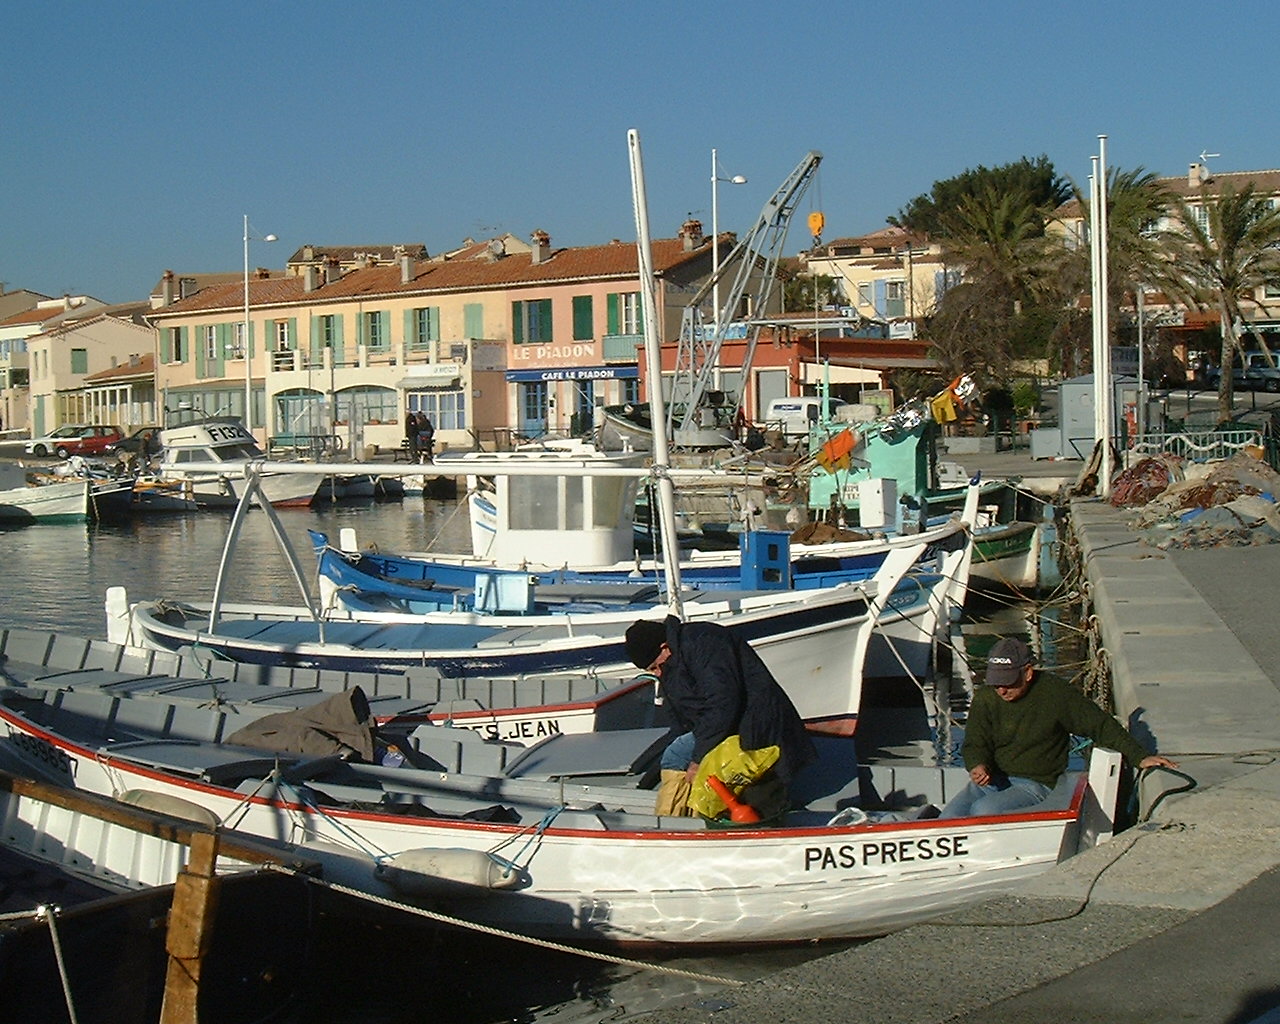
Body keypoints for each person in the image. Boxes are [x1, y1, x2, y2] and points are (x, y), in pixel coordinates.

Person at [941, 638, 1177, 818]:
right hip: (992, 781)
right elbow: (975, 743)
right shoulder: (986, 698)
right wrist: (977, 765)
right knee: (948, 818)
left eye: (1008, 682)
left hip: (1036, 783)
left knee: (984, 810)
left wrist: (1140, 756)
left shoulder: (1054, 694)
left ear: (1028, 673)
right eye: (995, 683)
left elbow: (1099, 724)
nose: (1001, 690)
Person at [624, 616, 817, 817]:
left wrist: (698, 758)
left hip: (751, 723)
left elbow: (723, 703)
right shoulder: (674, 658)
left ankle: (674, 823)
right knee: (676, 755)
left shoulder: (704, 642)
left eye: (655, 666)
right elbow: (682, 712)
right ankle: (680, 818)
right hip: (721, 724)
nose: (657, 674)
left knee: (680, 757)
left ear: (665, 648)